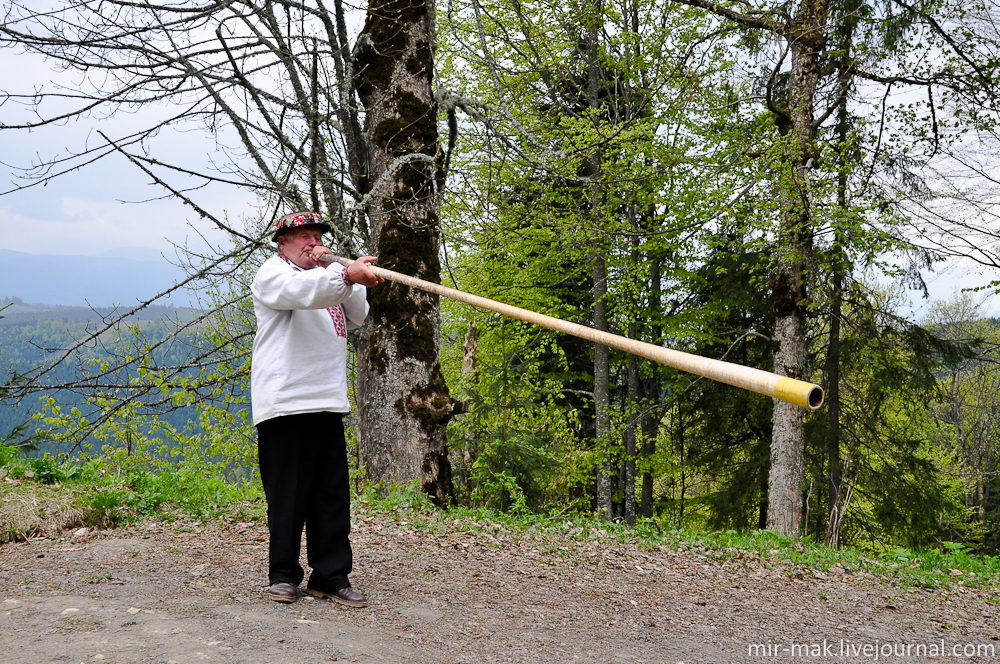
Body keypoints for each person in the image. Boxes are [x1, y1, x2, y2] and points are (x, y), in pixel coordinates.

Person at [250, 211, 383, 607]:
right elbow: (304, 293)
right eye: (302, 237)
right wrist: (344, 276)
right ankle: (283, 575)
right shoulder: (273, 275)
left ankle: (330, 576)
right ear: (283, 243)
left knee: (330, 495)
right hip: (285, 401)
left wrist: (350, 276)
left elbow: (357, 316)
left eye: (315, 236)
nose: (311, 243)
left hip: (327, 400)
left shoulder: (329, 282)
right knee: (288, 494)